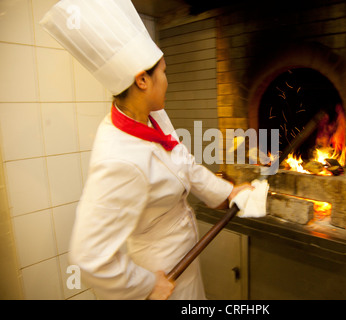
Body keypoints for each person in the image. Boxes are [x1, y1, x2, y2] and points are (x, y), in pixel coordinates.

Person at [41, 0, 251, 300]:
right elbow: (89, 257)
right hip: (165, 274)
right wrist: (146, 284)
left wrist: (226, 193)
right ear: (142, 80)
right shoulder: (119, 160)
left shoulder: (151, 115)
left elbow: (183, 162)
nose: (167, 79)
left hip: (186, 258)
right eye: (163, 72)